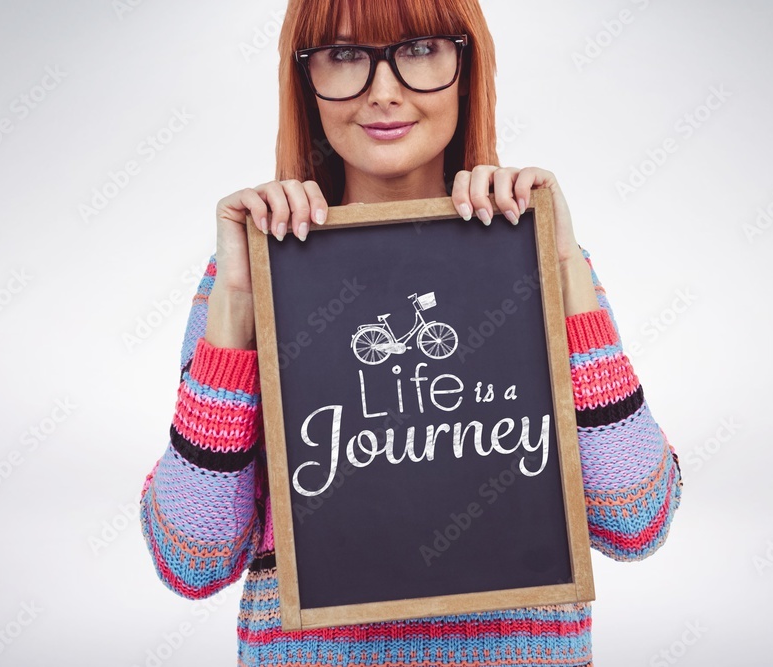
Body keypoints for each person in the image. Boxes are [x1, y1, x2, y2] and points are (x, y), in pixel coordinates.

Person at [138, 0, 684, 664]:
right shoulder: (245, 279)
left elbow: (636, 519)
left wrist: (563, 269)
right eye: (344, 57)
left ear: (466, 66)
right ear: (304, 80)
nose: (385, 91)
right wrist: (235, 309)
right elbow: (189, 560)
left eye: (421, 49)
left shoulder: (543, 260)